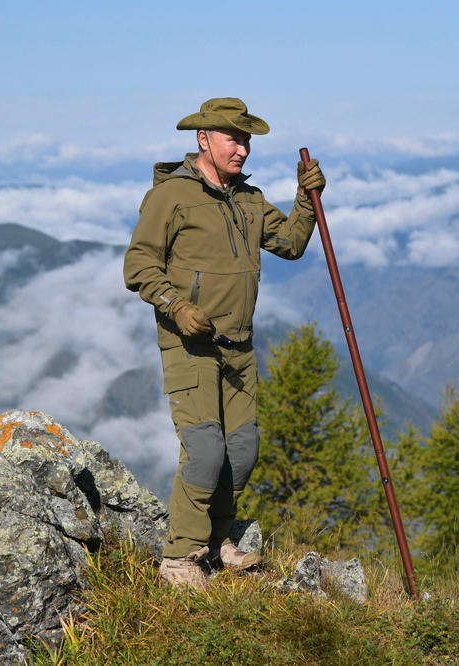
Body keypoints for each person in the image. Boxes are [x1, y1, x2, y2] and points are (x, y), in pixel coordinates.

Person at [123, 97, 325, 589]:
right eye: (234, 138)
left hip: (239, 345)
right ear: (203, 139)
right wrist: (175, 304)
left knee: (242, 450)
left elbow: (292, 245)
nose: (243, 149)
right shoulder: (171, 197)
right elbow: (137, 265)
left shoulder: (249, 199)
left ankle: (217, 540)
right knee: (205, 449)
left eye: (247, 139)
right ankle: (179, 557)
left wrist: (306, 198)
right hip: (189, 344)